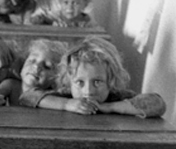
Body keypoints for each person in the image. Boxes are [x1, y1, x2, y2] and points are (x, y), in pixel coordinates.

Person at [38, 36, 167, 118]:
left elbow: (158, 104)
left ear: (111, 80)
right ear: (69, 81)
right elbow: (29, 96)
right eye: (80, 82)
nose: (88, 91)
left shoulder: (116, 96)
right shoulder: (66, 95)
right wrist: (66, 104)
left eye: (97, 82)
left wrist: (109, 107)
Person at [0, 38, 68, 108]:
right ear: (22, 64)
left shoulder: (51, 94)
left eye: (47, 66)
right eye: (32, 61)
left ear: (57, 77)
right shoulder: (12, 85)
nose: (36, 67)